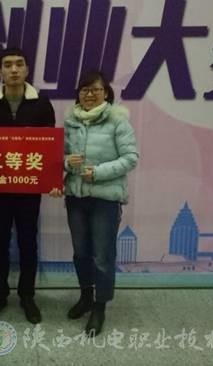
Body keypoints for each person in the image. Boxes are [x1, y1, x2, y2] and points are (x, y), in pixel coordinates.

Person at [0, 47, 56, 324]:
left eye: (19, 64)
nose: (14, 69)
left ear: (27, 69)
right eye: (8, 65)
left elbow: (49, 149)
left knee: (28, 242)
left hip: (29, 188)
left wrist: (53, 181)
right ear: (0, 71)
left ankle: (27, 296)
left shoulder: (41, 104)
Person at [63, 70, 138, 336]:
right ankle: (85, 296)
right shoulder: (71, 122)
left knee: (103, 256)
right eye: (84, 90)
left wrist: (98, 172)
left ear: (105, 93)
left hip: (105, 200)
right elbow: (58, 157)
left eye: (95, 89)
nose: (90, 94)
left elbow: (130, 158)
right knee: (80, 253)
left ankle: (99, 306)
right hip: (76, 197)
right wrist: (66, 163)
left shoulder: (118, 121)